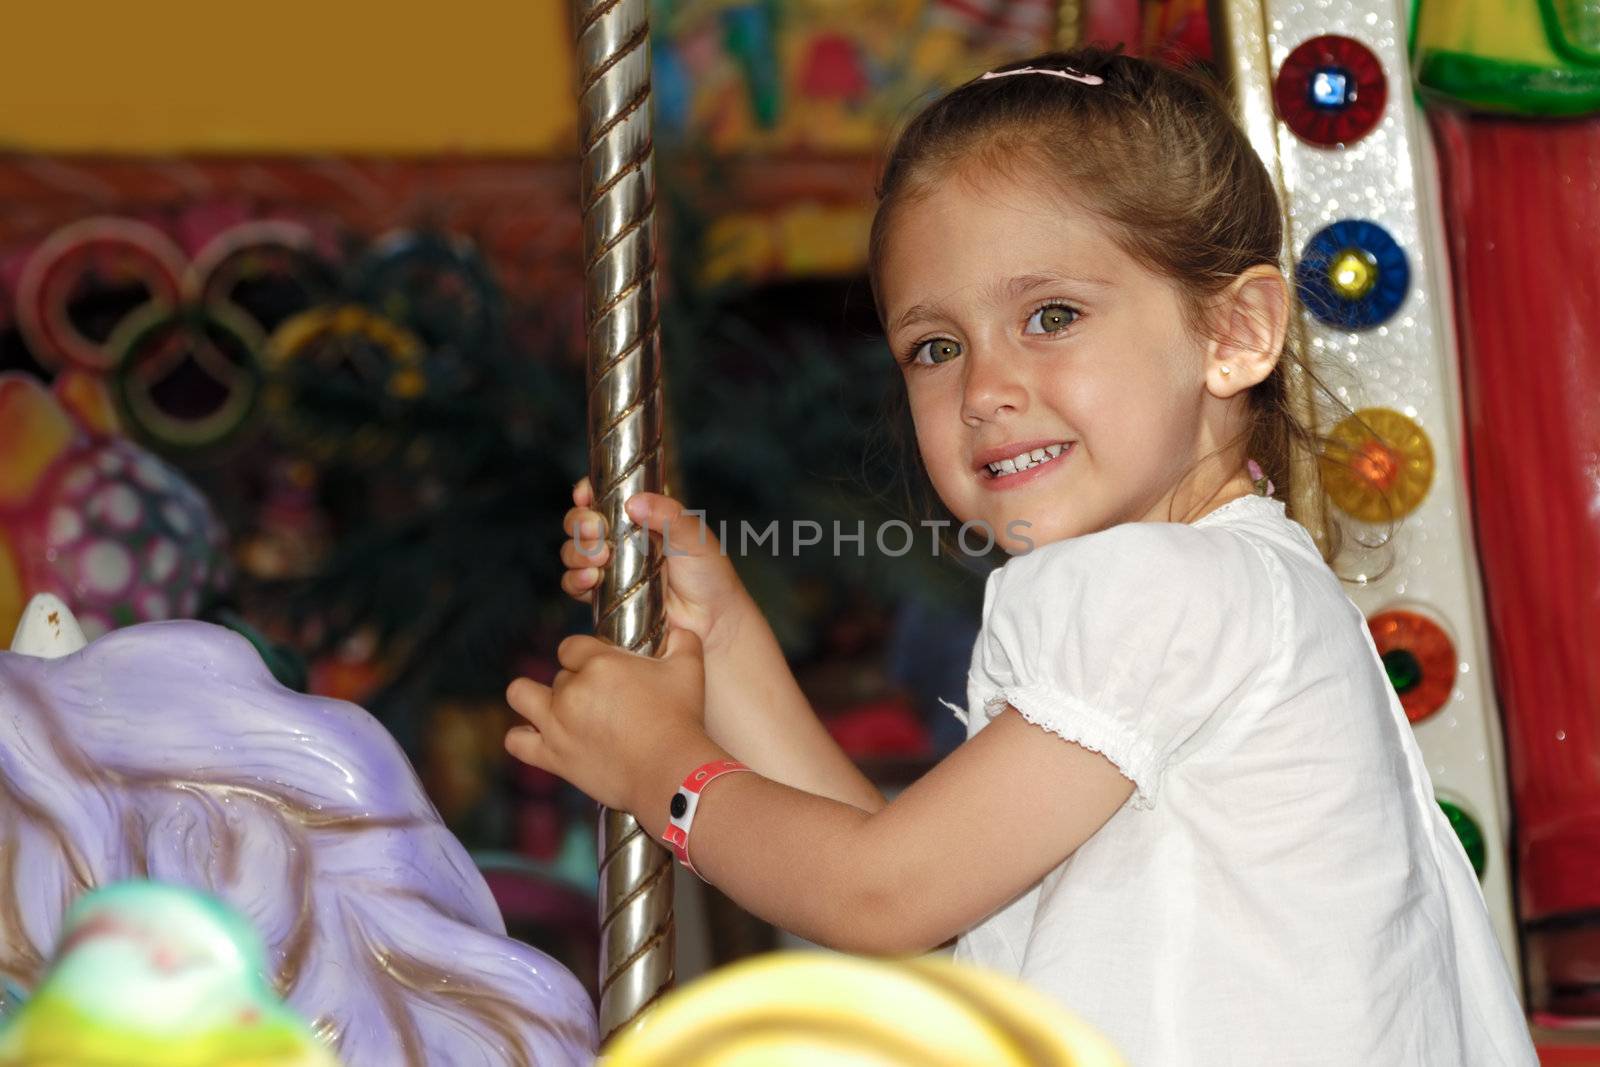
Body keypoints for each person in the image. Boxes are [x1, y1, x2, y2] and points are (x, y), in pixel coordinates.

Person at [506, 47, 1538, 1064]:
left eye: (1051, 316)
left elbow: (881, 889)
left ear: (1235, 330)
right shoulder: (1235, 586)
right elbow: (921, 885)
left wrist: (662, 775)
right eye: (935, 347)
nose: (984, 386)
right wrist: (721, 633)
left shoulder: (1163, 589)